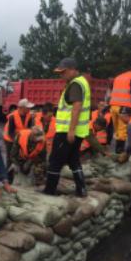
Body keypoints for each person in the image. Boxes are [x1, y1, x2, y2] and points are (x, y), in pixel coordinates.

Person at [43, 57, 91, 197]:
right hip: (79, 132)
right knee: (73, 160)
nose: (61, 75)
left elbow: (77, 107)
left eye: (63, 72)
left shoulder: (75, 84)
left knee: (55, 161)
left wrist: (71, 130)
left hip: (67, 132)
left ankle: (49, 191)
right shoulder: (82, 82)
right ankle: (81, 190)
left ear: (72, 70)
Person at [109, 63, 131, 153]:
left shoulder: (119, 76)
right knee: (122, 131)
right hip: (124, 107)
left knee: (117, 131)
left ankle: (117, 152)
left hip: (113, 106)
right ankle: (119, 153)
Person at [3, 98, 34, 165]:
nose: (29, 109)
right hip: (9, 139)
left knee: (21, 154)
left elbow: (29, 129)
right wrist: (17, 141)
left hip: (21, 138)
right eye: (27, 107)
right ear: (22, 108)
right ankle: (8, 173)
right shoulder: (12, 117)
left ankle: (19, 167)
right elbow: (10, 132)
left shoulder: (29, 116)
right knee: (10, 157)